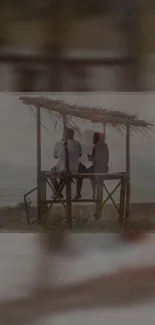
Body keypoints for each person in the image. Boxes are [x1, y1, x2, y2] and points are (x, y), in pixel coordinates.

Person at [51, 128, 82, 198]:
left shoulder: (59, 144)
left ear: (64, 135)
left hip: (63, 170)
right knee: (64, 174)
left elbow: (55, 156)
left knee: (51, 173)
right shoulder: (77, 143)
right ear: (73, 135)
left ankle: (58, 192)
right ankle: (59, 192)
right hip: (75, 170)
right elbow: (80, 154)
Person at [87, 132, 109, 198]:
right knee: (100, 181)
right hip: (105, 168)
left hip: (97, 169)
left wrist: (89, 158)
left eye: (94, 138)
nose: (92, 139)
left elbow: (94, 159)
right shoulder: (105, 145)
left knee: (89, 173)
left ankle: (94, 192)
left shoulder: (96, 146)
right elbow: (105, 158)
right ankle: (99, 193)